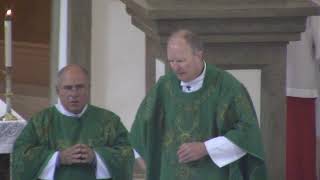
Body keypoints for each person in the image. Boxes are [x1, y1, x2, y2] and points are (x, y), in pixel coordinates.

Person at [130, 29, 267, 180]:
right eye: (171, 61)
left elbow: (248, 133)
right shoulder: (164, 87)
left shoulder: (227, 87)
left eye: (181, 61)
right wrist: (153, 170)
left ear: (199, 55)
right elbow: (138, 135)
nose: (175, 67)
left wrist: (206, 148)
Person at [11, 64, 134, 180]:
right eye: (68, 88)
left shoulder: (109, 121)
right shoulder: (41, 121)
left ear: (89, 88)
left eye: (80, 87)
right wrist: (58, 158)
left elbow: (127, 153)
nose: (74, 94)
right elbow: (20, 155)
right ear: (57, 91)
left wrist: (96, 157)